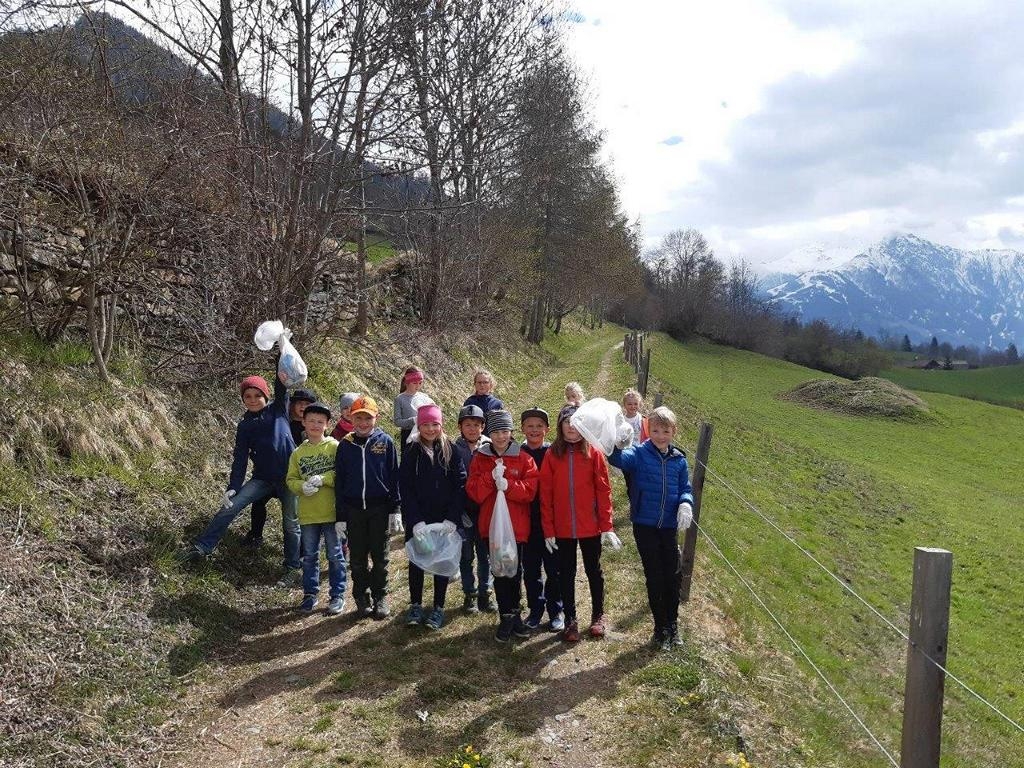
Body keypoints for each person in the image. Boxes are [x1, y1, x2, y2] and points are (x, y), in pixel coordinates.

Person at [181, 371, 302, 587]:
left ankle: (292, 568)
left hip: (290, 478)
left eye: (258, 395)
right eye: (248, 396)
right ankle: (202, 547)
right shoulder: (245, 425)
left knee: (291, 524)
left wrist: (281, 353)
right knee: (230, 506)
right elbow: (240, 458)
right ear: (243, 399)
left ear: (266, 396)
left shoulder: (278, 409)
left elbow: (281, 383)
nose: (253, 400)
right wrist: (233, 487)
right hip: (263, 479)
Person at [608, 405, 693, 650]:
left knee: (672, 576)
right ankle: (660, 627)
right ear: (648, 429)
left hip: (668, 527)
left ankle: (673, 624)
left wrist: (686, 503)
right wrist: (617, 443)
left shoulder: (679, 460)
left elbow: (685, 488)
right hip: (645, 525)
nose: (660, 436)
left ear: (674, 431)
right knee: (654, 576)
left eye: (665, 431)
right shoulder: (638, 454)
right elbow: (617, 459)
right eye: (655, 430)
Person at [540, 405, 619, 642]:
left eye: (576, 422)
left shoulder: (594, 453)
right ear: (560, 425)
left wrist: (606, 525)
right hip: (562, 527)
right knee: (566, 573)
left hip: (590, 526)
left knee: (594, 570)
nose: (571, 427)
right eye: (567, 422)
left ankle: (598, 615)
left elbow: (603, 491)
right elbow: (545, 494)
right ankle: (570, 619)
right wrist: (548, 529)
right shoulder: (552, 455)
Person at [466, 409, 540, 643]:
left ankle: (515, 613)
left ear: (511, 432)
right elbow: (474, 492)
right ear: (489, 433)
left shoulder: (524, 458)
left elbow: (530, 491)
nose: (500, 437)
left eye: (505, 431)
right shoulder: (480, 458)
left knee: (514, 571)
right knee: (499, 570)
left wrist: (509, 485)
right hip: (491, 526)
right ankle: (506, 615)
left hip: (516, 527)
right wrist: (490, 478)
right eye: (496, 432)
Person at [335, 395, 402, 619]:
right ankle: (361, 597)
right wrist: (340, 516)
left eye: (368, 418)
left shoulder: (386, 442)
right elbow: (340, 482)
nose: (363, 423)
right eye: (358, 418)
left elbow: (394, 477)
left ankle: (380, 596)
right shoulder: (345, 445)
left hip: (379, 509)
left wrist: (395, 510)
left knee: (380, 558)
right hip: (354, 510)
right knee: (357, 560)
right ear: (350, 418)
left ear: (376, 418)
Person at [400, 404, 467, 630]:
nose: (430, 429)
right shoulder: (411, 452)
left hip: (443, 520)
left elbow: (460, 485)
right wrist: (415, 519)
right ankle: (416, 605)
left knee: (441, 560)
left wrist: (452, 518)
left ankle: (438, 607)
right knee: (417, 562)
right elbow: (405, 487)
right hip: (419, 520)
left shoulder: (451, 449)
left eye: (434, 424)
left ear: (441, 425)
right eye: (426, 424)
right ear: (419, 426)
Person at [285, 403, 345, 614]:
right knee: (310, 556)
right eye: (311, 421)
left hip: (332, 512)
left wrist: (324, 478)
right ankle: (310, 594)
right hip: (308, 514)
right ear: (303, 422)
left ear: (327, 425)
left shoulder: (335, 447)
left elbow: (343, 474)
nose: (315, 425)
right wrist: (302, 486)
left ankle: (337, 595)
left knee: (335, 555)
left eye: (320, 422)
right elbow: (290, 480)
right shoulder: (298, 453)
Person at [520, 407, 563, 632]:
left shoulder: (554, 453)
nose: (534, 430)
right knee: (531, 569)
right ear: (522, 429)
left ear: (547, 429)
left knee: (554, 569)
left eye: (539, 426)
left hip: (552, 522)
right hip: (527, 522)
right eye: (530, 426)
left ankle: (556, 610)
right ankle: (535, 609)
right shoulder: (518, 453)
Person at [453, 405, 496, 614]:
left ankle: (485, 592)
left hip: (485, 509)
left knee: (484, 554)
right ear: (460, 427)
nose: (472, 429)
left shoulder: (490, 447)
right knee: (466, 554)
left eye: (476, 425)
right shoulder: (453, 449)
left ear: (483, 427)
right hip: (463, 510)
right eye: (468, 425)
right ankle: (469, 593)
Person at [393, 366, 428, 449]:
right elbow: (397, 422)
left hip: (424, 433)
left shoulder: (424, 397)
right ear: (407, 382)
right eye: (415, 383)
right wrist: (413, 420)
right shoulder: (400, 399)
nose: (418, 386)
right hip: (407, 434)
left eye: (420, 383)